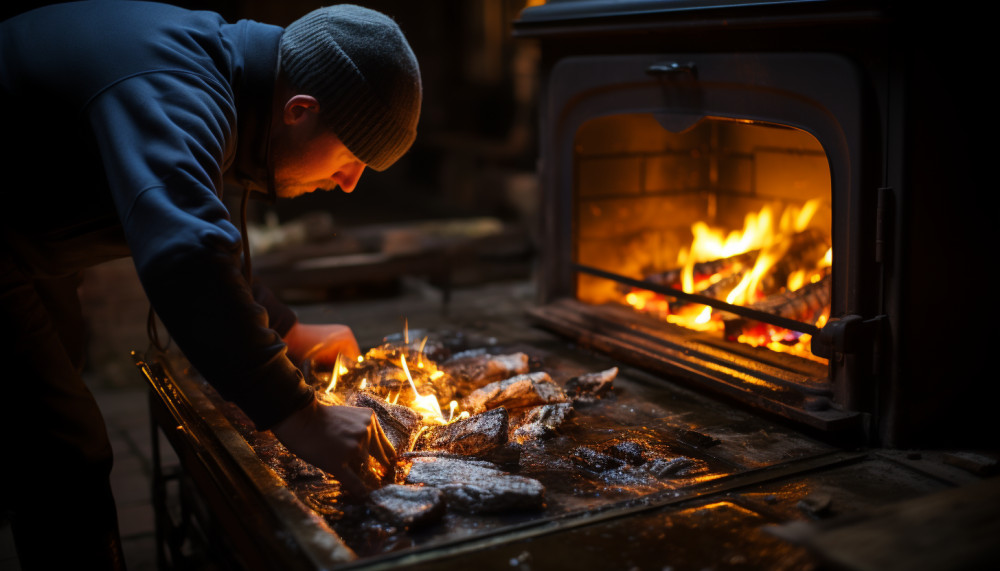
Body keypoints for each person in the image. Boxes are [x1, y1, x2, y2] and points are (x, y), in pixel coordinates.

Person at [0, 2, 421, 568]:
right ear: (300, 111)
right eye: (352, 158)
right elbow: (184, 252)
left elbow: (202, 230)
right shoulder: (178, 88)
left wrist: (288, 329)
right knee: (64, 450)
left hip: (23, 240)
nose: (348, 184)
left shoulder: (224, 77)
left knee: (51, 385)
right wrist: (300, 415)